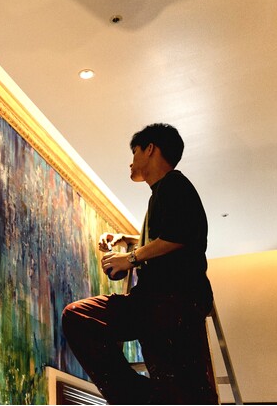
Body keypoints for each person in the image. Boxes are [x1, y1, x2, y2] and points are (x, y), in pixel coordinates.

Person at [62, 123, 218, 404]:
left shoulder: (174, 184)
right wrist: (125, 239)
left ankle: (141, 396)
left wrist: (130, 258)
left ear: (150, 149)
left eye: (134, 151)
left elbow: (179, 235)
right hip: (152, 303)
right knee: (79, 317)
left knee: (181, 386)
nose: (131, 161)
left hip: (172, 300)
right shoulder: (161, 194)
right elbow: (166, 236)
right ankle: (138, 396)